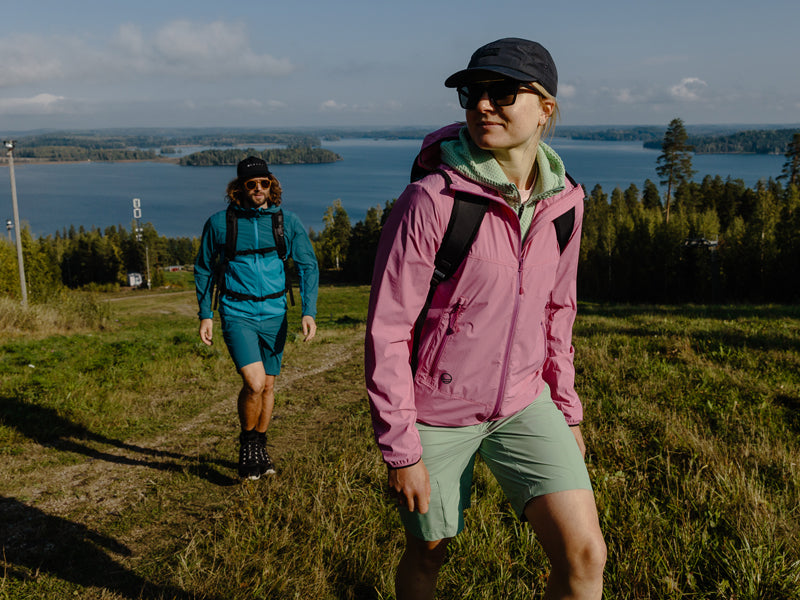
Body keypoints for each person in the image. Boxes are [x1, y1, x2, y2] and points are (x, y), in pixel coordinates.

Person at [365, 38, 606, 598]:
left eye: (503, 92)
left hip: (525, 402)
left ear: (545, 107)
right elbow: (388, 329)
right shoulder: (432, 200)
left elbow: (558, 311)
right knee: (428, 554)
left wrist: (567, 411)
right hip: (438, 415)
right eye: (474, 92)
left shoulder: (565, 202)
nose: (483, 105)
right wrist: (401, 447)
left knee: (585, 557)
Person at [195, 156, 319, 480]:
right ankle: (247, 444)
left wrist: (308, 311)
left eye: (264, 183)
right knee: (254, 382)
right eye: (252, 184)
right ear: (240, 188)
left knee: (269, 388)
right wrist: (205, 314)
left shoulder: (286, 222)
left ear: (271, 185)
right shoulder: (219, 224)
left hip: (276, 314)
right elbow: (204, 268)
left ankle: (260, 448)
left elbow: (308, 265)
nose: (259, 189)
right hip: (238, 312)